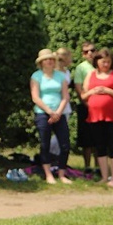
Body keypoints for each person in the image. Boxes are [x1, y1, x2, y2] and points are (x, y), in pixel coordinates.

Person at [80, 48, 113, 187]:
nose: (105, 64)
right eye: (103, 61)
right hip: (95, 116)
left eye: (108, 62)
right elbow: (83, 95)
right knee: (99, 146)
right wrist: (92, 92)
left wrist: (108, 91)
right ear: (97, 62)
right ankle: (105, 177)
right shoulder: (90, 75)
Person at [31, 48, 72, 184]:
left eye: (51, 59)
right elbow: (36, 97)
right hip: (43, 114)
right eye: (46, 59)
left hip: (59, 113)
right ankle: (48, 174)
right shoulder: (36, 76)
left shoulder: (60, 76)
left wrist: (58, 112)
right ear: (41, 62)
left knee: (65, 144)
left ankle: (62, 174)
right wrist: (49, 111)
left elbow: (65, 96)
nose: (49, 61)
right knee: (45, 144)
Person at [73, 41, 97, 174]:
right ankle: (88, 167)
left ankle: (99, 166)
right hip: (86, 107)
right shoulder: (80, 68)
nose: (90, 53)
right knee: (86, 139)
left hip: (100, 108)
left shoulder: (101, 66)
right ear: (83, 54)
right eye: (86, 51)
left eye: (92, 50)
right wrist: (87, 103)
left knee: (99, 138)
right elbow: (78, 88)